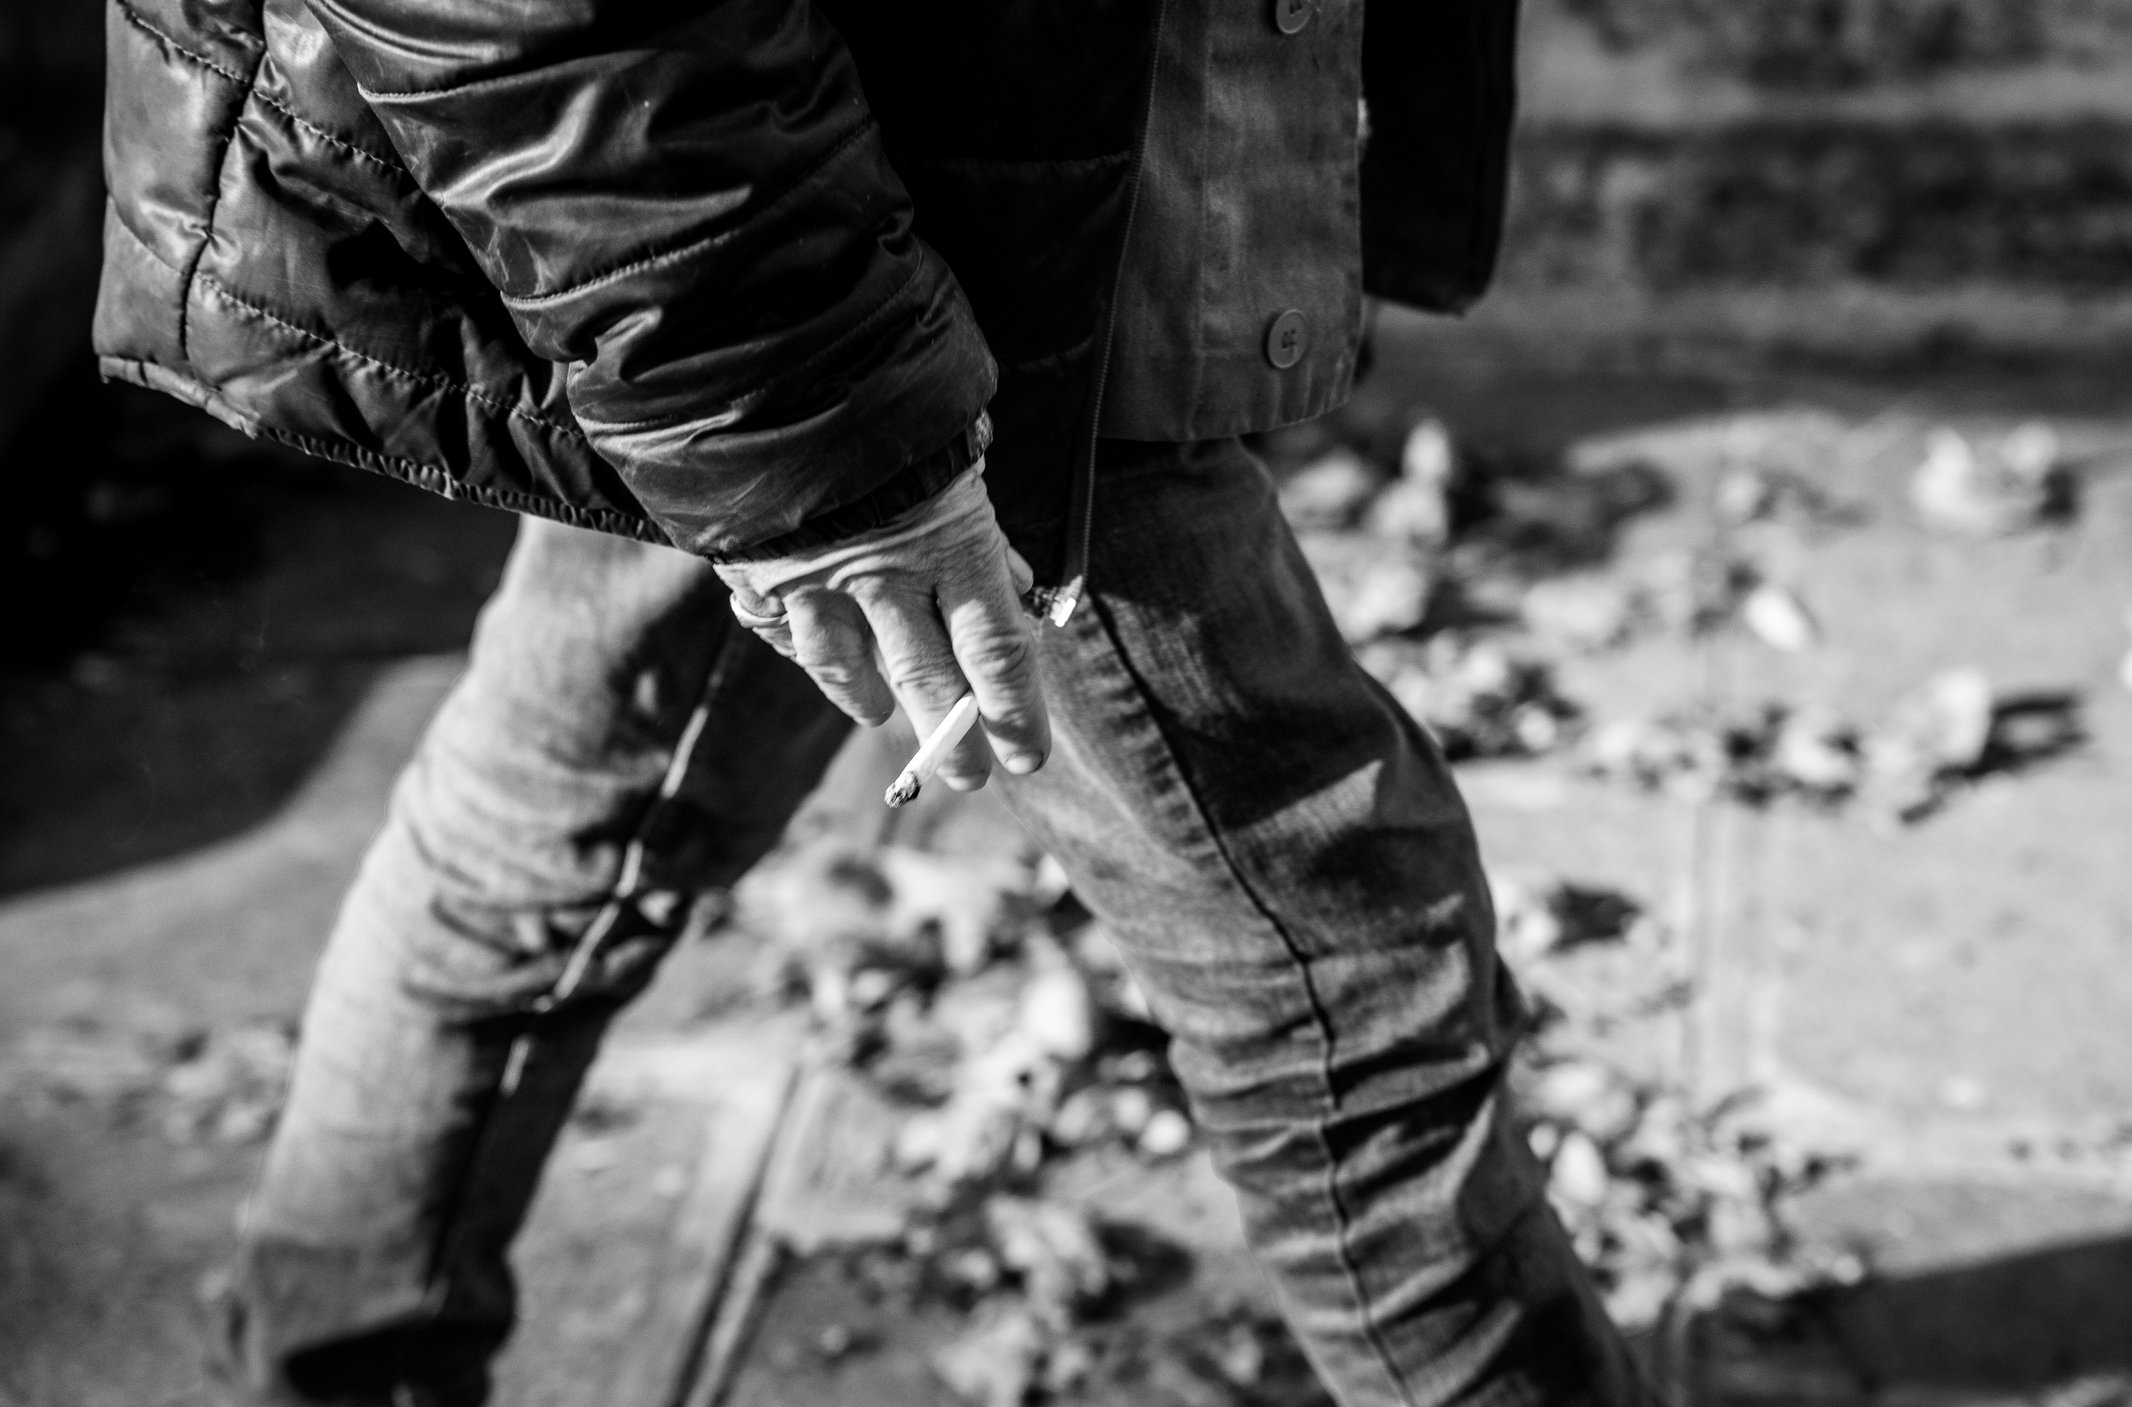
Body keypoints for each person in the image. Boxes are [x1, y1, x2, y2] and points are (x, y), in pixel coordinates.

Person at [96, 0, 1657, 1402]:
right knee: (1341, 966)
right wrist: (802, 423)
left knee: (551, 817)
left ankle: (326, 1361)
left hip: (850, 202)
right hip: (862, 242)